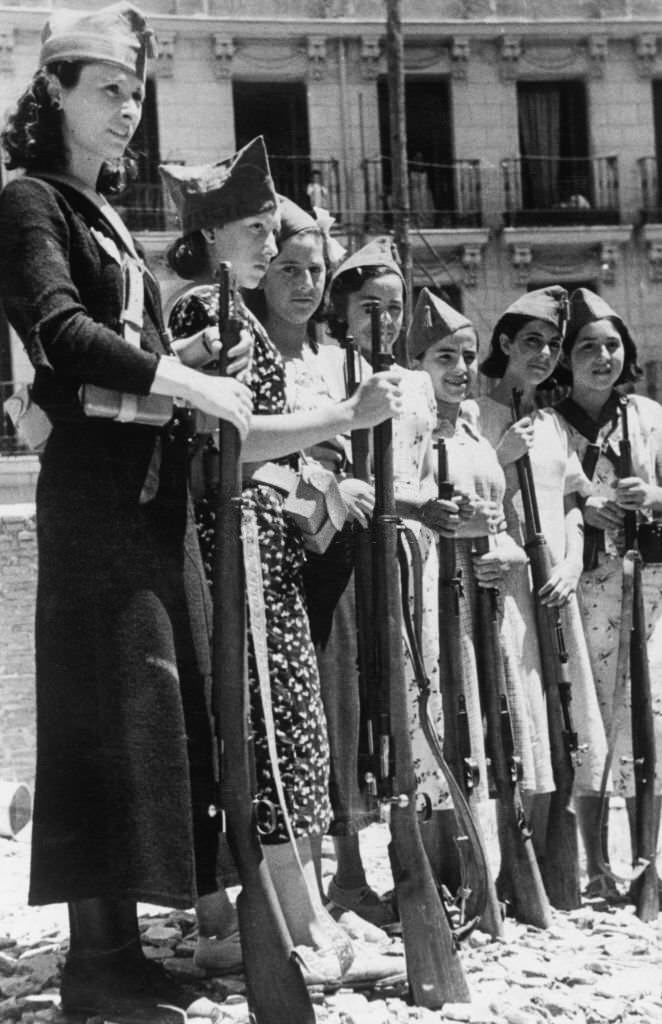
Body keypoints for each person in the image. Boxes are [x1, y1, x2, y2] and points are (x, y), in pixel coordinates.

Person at [0, 5, 253, 1017]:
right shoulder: (30, 201)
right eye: (106, 88)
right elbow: (58, 331)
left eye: (135, 92)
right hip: (96, 497)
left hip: (139, 492)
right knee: (95, 715)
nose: (126, 110)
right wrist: (180, 382)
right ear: (52, 90)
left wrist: (180, 365)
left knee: (142, 710)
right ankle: (92, 968)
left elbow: (119, 348)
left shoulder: (99, 210)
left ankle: (121, 950)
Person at [160, 152, 404, 980]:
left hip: (263, 544)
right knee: (265, 727)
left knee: (286, 730)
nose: (271, 246)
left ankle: (301, 918)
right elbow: (226, 445)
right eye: (258, 230)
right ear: (212, 233)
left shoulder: (234, 311)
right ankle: (287, 927)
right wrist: (343, 414)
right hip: (236, 544)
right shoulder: (207, 308)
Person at [322, 240, 503, 909]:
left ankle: (428, 864)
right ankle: (345, 870)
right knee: (351, 709)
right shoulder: (323, 376)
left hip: (410, 562)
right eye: (371, 306)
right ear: (342, 311)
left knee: (417, 699)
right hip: (339, 562)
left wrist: (439, 511)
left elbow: (421, 479)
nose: (386, 320)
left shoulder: (418, 388)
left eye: (395, 307)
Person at [410, 288, 546, 913]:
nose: (460, 369)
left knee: (495, 737)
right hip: (431, 600)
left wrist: (509, 552)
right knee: (443, 732)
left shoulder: (472, 430)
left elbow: (509, 524)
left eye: (466, 355)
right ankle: (445, 873)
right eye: (443, 356)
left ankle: (495, 877)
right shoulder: (405, 433)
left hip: (486, 601)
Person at [474, 287, 607, 887]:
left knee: (563, 720)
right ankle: (507, 863)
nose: (546, 356)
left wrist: (574, 562)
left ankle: (557, 867)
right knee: (516, 717)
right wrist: (501, 458)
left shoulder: (552, 422)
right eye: (532, 342)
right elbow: (471, 501)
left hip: (557, 590)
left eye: (554, 345)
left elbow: (577, 503)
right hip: (506, 593)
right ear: (504, 344)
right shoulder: (477, 415)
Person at [551, 288, 662, 905]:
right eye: (587, 347)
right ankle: (592, 865)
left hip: (649, 588)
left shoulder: (649, 416)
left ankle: (652, 863)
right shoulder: (546, 424)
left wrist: (652, 497)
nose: (602, 357)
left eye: (612, 345)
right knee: (588, 723)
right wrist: (579, 506)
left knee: (653, 719)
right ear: (567, 358)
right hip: (580, 592)